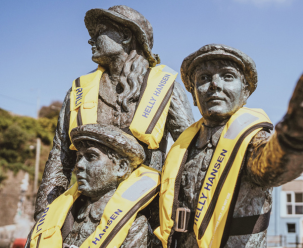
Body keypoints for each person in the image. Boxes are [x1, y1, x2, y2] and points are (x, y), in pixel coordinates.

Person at [155, 44, 303, 248]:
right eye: (203, 78)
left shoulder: (251, 140)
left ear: (245, 93)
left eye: (227, 76)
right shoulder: (183, 146)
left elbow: (271, 166)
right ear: (193, 94)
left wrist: (295, 139)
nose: (214, 85)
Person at [34, 5, 194, 221]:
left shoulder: (165, 87)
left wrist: (184, 212)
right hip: (86, 213)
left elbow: (190, 151)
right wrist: (43, 216)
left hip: (143, 213)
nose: (91, 40)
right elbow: (60, 157)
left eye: (99, 33)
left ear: (126, 36)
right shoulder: (79, 90)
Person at [27, 124, 161, 248]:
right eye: (79, 157)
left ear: (121, 167)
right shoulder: (61, 214)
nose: (79, 165)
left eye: (91, 157)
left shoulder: (133, 226)